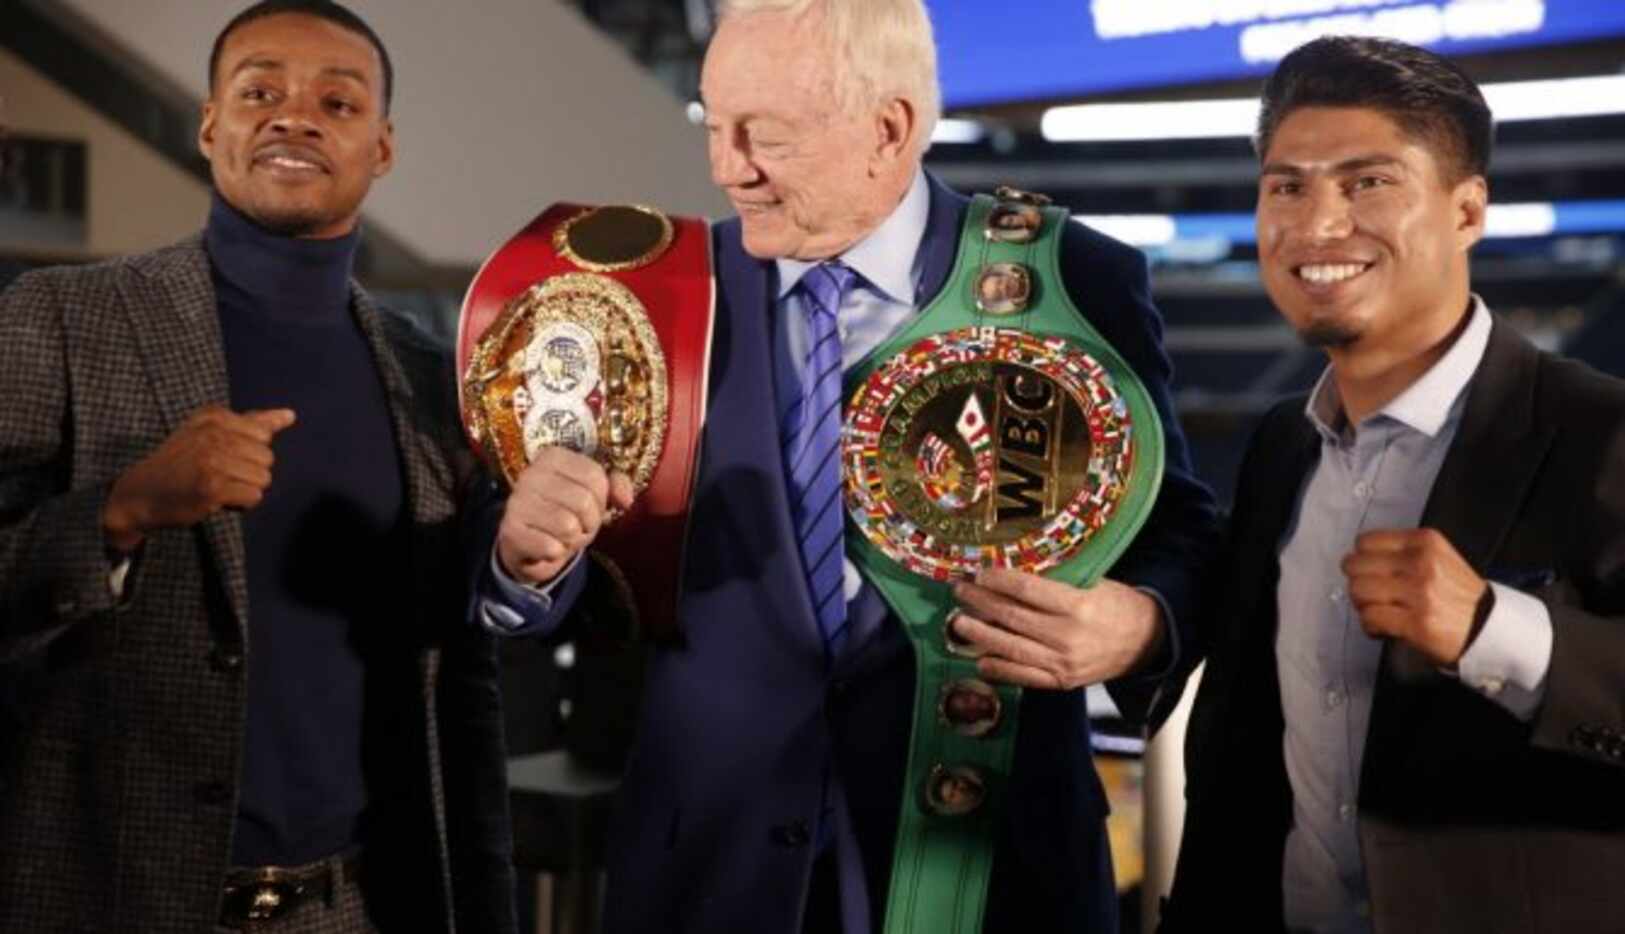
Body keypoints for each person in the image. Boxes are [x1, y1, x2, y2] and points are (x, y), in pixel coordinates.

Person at [490, 0, 1220, 930]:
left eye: (766, 136)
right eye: (714, 127)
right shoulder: (653, 296)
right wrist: (524, 558)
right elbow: (551, 565)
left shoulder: (1072, 276)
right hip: (711, 874)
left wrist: (1135, 624)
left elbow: (1179, 532)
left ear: (889, 129)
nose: (727, 169)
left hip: (993, 868)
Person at [0, 3, 564, 930]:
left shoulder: (432, 374)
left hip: (357, 906)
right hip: (108, 898)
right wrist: (122, 510)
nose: (294, 116)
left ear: (381, 149)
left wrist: (524, 564)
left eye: (336, 104)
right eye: (261, 91)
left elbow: (458, 672)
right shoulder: (60, 317)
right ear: (211, 123)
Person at [1162, 36, 1625, 934]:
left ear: (1466, 211)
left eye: (1367, 182)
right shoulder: (1277, 449)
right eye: (1286, 185)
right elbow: (1243, 751)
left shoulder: (1605, 433)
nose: (1316, 224)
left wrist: (1501, 634)